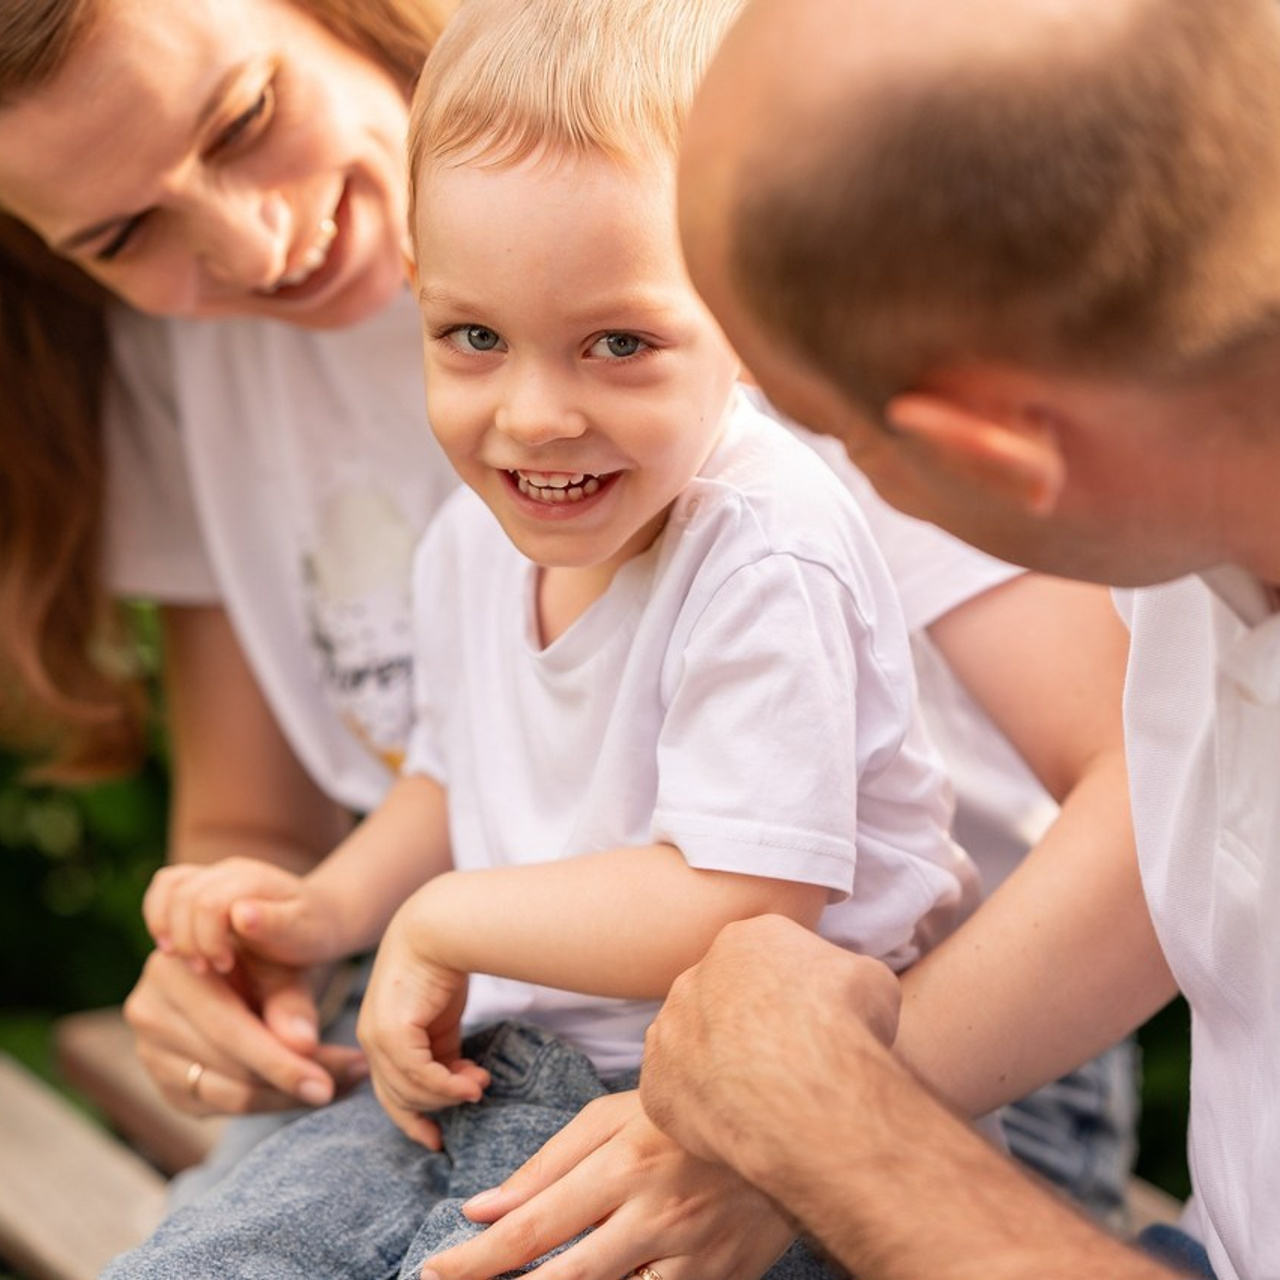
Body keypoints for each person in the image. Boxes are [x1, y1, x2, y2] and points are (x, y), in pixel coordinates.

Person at [0, 0, 1140, 1243]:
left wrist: (825, 1111)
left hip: (935, 1027)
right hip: (482, 1025)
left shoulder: (735, 221)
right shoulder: (373, 477)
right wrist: (268, 933)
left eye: (243, 119)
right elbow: (380, 787)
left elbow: (1153, 791)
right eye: (122, 233)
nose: (252, 241)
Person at [634, 0, 1280, 1277]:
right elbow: (1192, 841)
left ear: (995, 451)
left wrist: (834, 1127)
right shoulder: (1192, 475)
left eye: (829, 433)